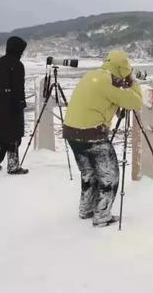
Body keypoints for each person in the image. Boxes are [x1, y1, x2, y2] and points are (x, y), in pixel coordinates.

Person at [62, 50, 143, 227]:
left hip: (71, 131)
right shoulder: (113, 81)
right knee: (109, 177)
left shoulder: (92, 75)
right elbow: (136, 102)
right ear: (123, 68)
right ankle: (102, 216)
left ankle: (86, 209)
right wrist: (133, 80)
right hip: (91, 133)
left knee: (88, 174)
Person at [0, 37, 29, 175]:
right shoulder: (17, 65)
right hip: (13, 105)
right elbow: (18, 87)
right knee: (14, 136)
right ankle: (13, 166)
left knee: (4, 134)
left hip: (0, 104)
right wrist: (21, 103)